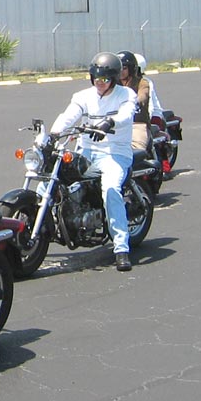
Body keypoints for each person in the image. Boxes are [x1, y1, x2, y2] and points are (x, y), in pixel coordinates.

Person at [51, 52, 139, 272]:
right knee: (53, 177)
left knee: (110, 189)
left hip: (114, 153)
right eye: (96, 78)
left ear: (114, 79)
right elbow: (69, 115)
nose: (100, 83)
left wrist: (110, 122)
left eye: (105, 79)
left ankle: (121, 248)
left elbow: (127, 115)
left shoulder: (126, 94)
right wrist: (53, 133)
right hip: (87, 151)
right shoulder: (83, 96)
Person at [116, 50, 151, 158]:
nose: (121, 71)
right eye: (119, 68)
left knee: (137, 151)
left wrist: (135, 102)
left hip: (137, 123)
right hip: (117, 124)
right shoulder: (113, 84)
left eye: (124, 68)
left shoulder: (142, 83)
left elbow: (143, 96)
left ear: (131, 69)